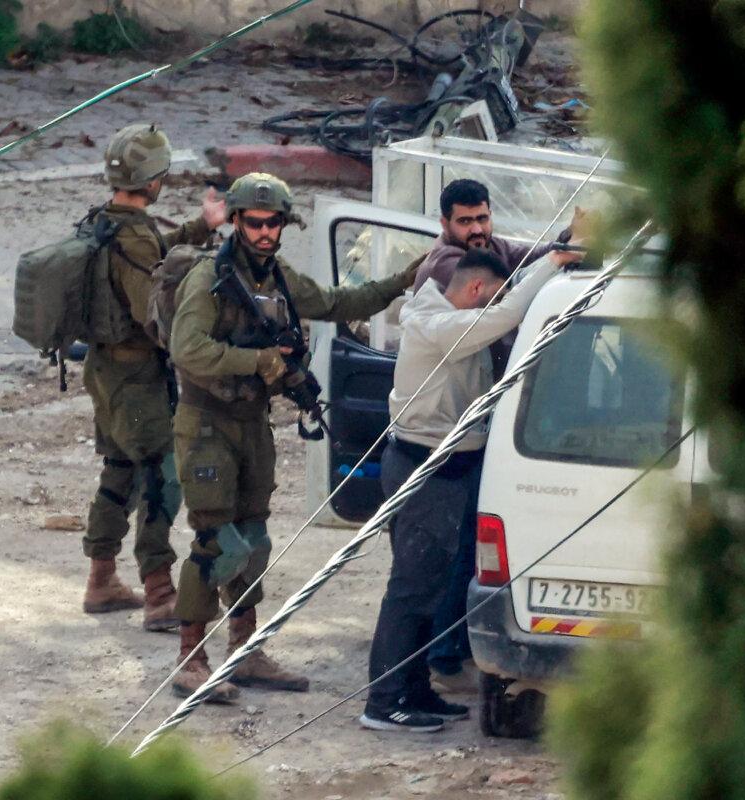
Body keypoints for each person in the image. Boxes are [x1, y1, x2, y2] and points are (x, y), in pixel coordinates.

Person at [167, 172, 420, 702]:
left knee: (254, 537)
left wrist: (401, 281)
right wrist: (259, 361)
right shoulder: (207, 280)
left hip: (250, 424)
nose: (263, 231)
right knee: (216, 540)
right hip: (207, 422)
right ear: (235, 222)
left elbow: (334, 302)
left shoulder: (276, 278)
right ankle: (191, 659)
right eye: (254, 222)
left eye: (273, 222)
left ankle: (246, 649)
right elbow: (187, 349)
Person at [361, 245, 579, 733]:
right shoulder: (438, 326)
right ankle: (384, 701)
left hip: (445, 469)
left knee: (431, 588)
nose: (494, 306)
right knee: (412, 589)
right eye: (492, 296)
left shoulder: (450, 318)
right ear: (476, 290)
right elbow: (506, 314)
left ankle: (414, 690)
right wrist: (553, 263)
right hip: (425, 471)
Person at [80, 123, 226, 632]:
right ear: (153, 179)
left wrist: (200, 227)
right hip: (137, 377)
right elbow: (152, 313)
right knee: (162, 477)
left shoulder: (102, 223)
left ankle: (101, 579)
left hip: (103, 370)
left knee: (118, 470)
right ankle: (160, 594)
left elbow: (149, 252)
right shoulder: (133, 235)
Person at [410, 178, 558, 293]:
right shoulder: (443, 263)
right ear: (445, 224)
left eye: (482, 219)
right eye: (465, 221)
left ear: (490, 215)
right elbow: (504, 294)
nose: (477, 230)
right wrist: (556, 259)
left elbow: (530, 257)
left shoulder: (490, 245)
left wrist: (568, 239)